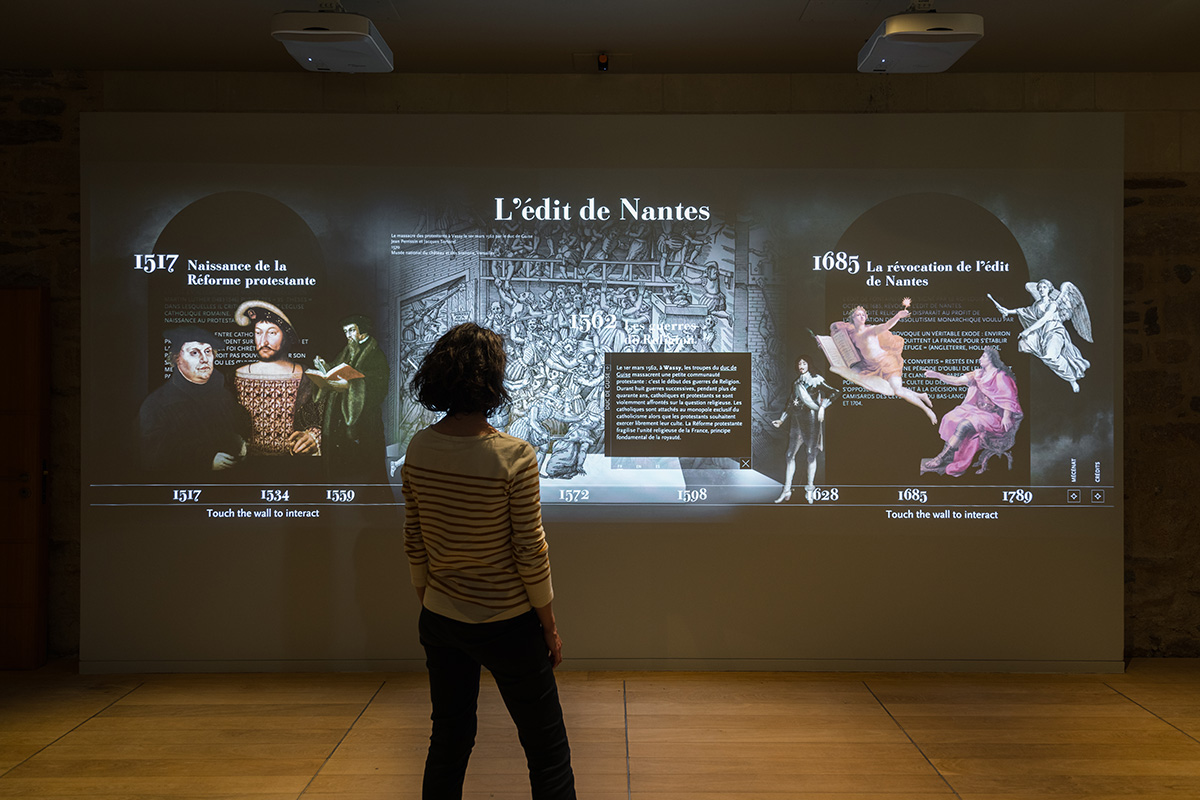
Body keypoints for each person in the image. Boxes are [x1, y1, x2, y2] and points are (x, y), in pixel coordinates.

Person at [401, 322, 576, 800]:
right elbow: (530, 550)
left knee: (449, 739)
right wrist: (549, 625)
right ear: (494, 381)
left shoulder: (418, 450)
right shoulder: (513, 456)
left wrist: (432, 600)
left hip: (440, 617)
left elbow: (414, 539)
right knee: (546, 750)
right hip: (509, 621)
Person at [137, 326, 250, 478]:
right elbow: (152, 455)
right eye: (194, 353)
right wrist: (206, 460)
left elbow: (238, 428)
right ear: (177, 358)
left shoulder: (225, 396)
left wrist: (241, 442)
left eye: (208, 351)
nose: (204, 359)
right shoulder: (157, 404)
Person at [232, 300, 323, 456]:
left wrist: (313, 437)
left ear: (286, 337)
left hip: (294, 466)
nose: (263, 341)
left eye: (272, 333)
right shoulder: (236, 375)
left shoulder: (307, 376)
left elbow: (321, 419)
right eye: (258, 332)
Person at [921, 347, 1022, 476]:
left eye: (983, 356)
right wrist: (937, 375)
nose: (980, 359)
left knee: (964, 424)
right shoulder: (978, 374)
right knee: (950, 418)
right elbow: (957, 381)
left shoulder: (1000, 376)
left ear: (991, 359)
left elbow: (1009, 397)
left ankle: (941, 457)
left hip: (994, 416)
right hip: (978, 412)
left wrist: (1007, 417)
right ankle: (949, 455)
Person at [314, 313, 390, 480]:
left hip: (365, 423)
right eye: (345, 332)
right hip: (340, 421)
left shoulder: (375, 354)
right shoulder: (347, 351)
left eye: (351, 330)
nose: (348, 335)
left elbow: (378, 384)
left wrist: (350, 385)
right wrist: (324, 367)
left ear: (361, 330)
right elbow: (336, 369)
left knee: (364, 471)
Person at [832, 305, 936, 424]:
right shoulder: (851, 335)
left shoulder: (871, 330)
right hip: (870, 366)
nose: (861, 317)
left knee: (897, 391)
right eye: (858, 315)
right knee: (850, 373)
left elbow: (887, 325)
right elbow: (841, 343)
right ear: (852, 318)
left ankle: (927, 410)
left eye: (863, 315)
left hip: (887, 363)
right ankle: (921, 395)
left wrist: (898, 316)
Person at [992, 280, 1092, 392]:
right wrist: (1007, 311)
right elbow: (1025, 311)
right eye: (1039, 287)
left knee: (1051, 356)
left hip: (1055, 332)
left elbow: (1044, 319)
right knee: (1024, 344)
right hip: (1043, 333)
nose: (1041, 289)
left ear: (1049, 289)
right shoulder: (1037, 304)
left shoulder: (1053, 304)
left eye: (1044, 287)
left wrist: (1027, 330)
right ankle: (1059, 367)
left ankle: (1072, 379)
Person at [771, 356, 833, 504]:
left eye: (804, 363)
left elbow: (834, 392)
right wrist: (781, 419)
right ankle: (786, 490)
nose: (801, 365)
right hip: (796, 421)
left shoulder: (816, 380)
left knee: (811, 454)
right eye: (799, 363)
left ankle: (809, 490)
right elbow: (790, 403)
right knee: (789, 455)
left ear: (809, 364)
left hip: (811, 421)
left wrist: (823, 407)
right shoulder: (796, 383)